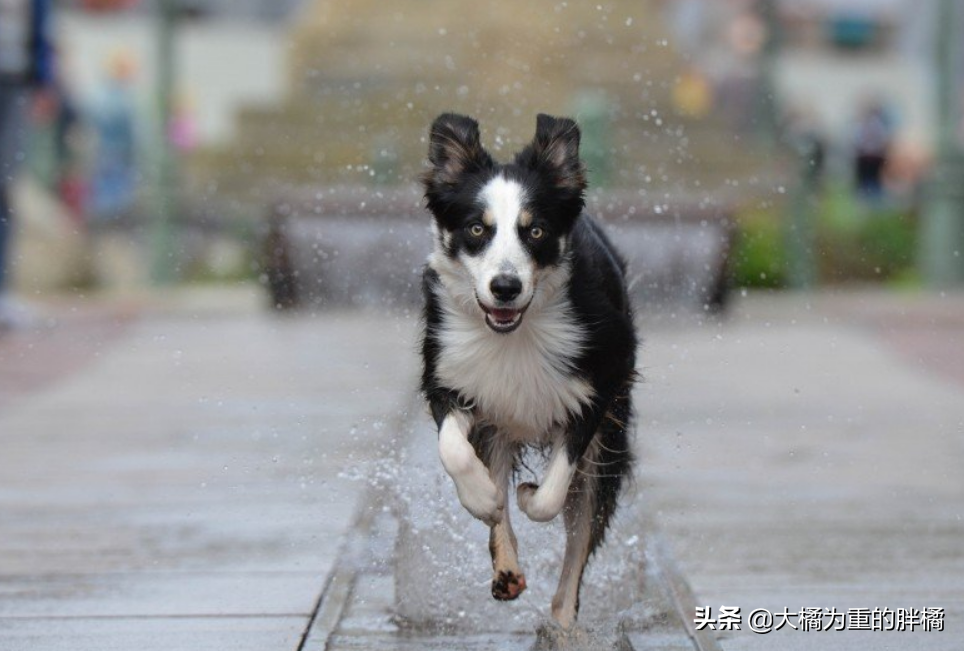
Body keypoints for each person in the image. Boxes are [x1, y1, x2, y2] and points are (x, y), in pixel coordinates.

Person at [0, 0, 54, 330]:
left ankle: (2, 291)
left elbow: (40, 23)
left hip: (16, 77)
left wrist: (44, 79)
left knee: (4, 186)